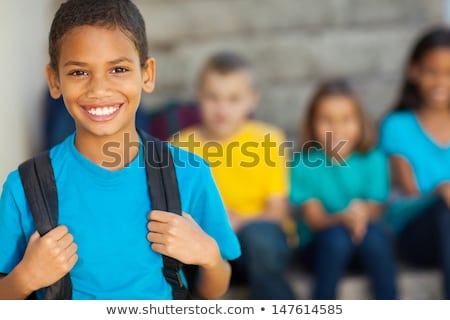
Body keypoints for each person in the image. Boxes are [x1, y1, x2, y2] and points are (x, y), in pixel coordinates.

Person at [0, 0, 240, 300]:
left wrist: (209, 256)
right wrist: (25, 278)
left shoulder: (189, 173)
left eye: (118, 69)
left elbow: (216, 288)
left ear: (147, 74)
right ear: (54, 80)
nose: (99, 89)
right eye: (78, 72)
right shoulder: (24, 186)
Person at [171, 52, 295, 300]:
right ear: (199, 97)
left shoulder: (268, 140)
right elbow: (176, 210)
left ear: (252, 100)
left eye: (233, 99)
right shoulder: (179, 146)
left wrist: (236, 222)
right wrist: (214, 225)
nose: (222, 108)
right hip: (205, 247)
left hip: (257, 245)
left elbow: (277, 211)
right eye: (213, 97)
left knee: (259, 238)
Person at [289, 78, 397, 300]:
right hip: (319, 248)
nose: (337, 129)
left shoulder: (374, 158)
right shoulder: (303, 162)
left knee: (376, 237)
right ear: (312, 123)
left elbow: (375, 210)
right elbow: (314, 219)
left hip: (363, 242)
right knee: (337, 238)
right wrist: (343, 217)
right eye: (326, 120)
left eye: (346, 120)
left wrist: (360, 214)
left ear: (360, 122)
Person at [379, 26, 450, 299]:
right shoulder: (397, 125)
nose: (440, 81)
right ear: (414, 71)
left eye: (448, 73)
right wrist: (440, 191)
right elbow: (411, 190)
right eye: (432, 71)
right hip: (417, 232)